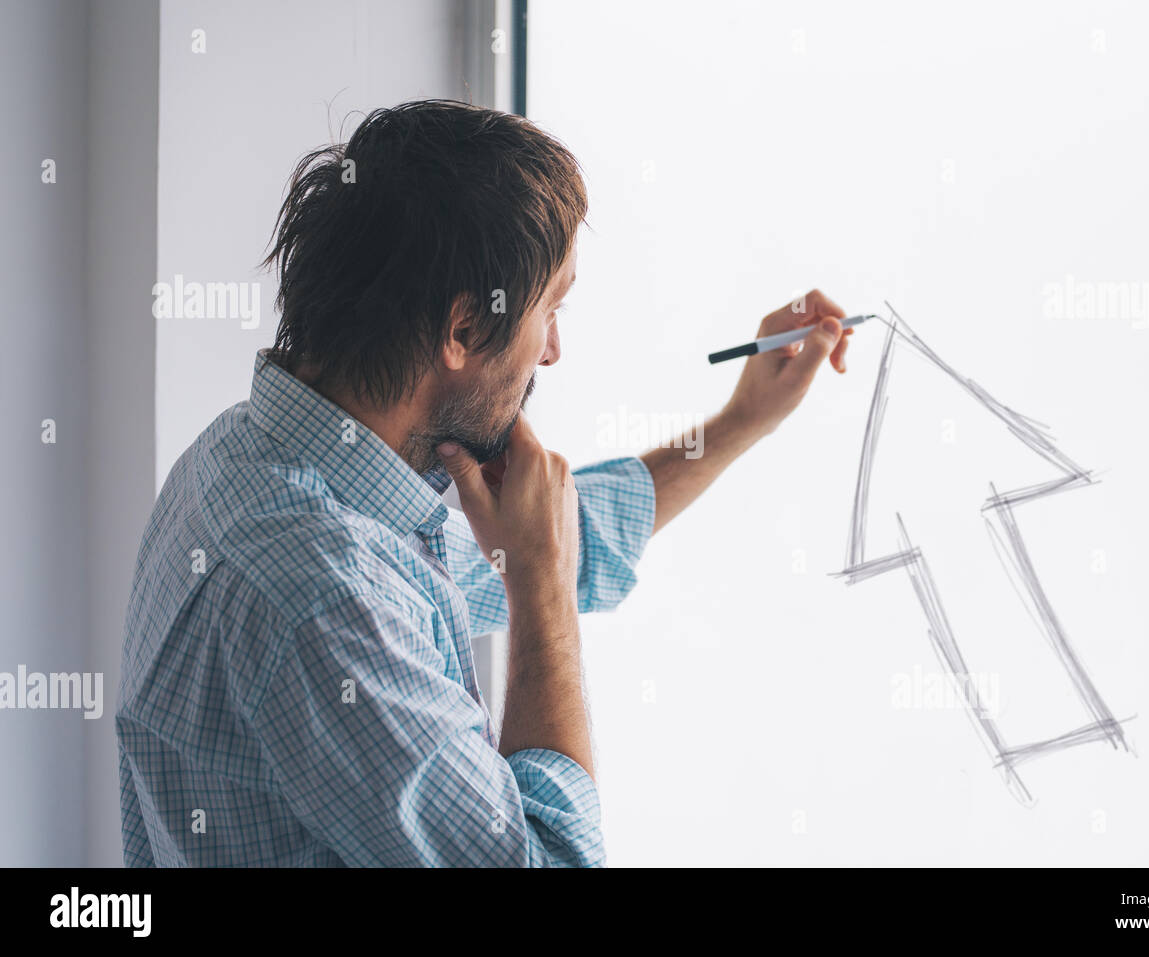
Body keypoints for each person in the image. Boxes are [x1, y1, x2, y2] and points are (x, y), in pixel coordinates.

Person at [116, 99, 852, 867]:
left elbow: (562, 537)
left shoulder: (253, 461)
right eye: (551, 309)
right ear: (463, 331)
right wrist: (540, 590)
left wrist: (740, 419)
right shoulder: (324, 595)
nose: (553, 351)